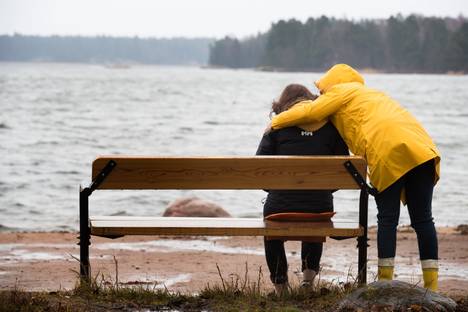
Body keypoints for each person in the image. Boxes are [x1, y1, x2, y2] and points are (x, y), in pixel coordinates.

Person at [268, 64, 441, 291]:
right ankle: (432, 288)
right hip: (423, 150)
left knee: (388, 219)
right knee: (424, 221)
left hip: (388, 151)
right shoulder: (373, 94)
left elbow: (309, 112)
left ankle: (385, 284)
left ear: (332, 84)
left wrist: (274, 123)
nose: (321, 96)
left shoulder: (339, 92)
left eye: (322, 91)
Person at [256, 84, 348, 294]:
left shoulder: (276, 128)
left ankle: (280, 286)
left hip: (279, 209)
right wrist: (321, 189)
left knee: (270, 229)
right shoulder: (331, 127)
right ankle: (308, 281)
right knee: (314, 214)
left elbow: (259, 173)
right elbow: (344, 171)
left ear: (282, 105)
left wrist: (279, 190)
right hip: (320, 209)